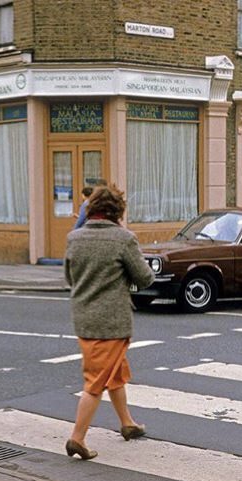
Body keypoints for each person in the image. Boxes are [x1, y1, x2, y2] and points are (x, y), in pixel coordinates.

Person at [64, 185, 155, 460]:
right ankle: (76, 438)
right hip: (112, 324)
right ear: (117, 212)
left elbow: (70, 278)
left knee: (115, 374)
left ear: (90, 209)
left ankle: (127, 424)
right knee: (95, 383)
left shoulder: (74, 238)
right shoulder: (123, 239)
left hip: (83, 319)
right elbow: (145, 278)